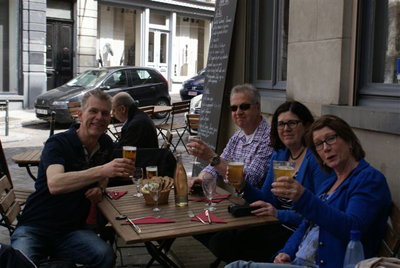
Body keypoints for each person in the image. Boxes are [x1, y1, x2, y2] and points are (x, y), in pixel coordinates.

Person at [226, 115, 392, 268]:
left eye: (331, 139)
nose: (326, 148)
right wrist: (285, 252)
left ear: (350, 141)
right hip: (298, 262)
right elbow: (306, 225)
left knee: (237, 266)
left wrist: (304, 198)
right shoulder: (330, 182)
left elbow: (352, 229)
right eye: (319, 144)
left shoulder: (368, 179)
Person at [11, 89, 135, 267]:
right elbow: (55, 184)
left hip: (70, 232)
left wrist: (100, 187)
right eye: (93, 111)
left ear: (110, 118)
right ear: (80, 115)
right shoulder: (58, 143)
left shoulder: (106, 144)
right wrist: (102, 171)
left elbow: (104, 177)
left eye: (105, 113)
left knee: (105, 256)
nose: (99, 117)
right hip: (35, 227)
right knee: (19, 263)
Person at [206, 101, 332, 264]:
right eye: (281, 124)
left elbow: (318, 212)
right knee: (220, 239)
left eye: (292, 123)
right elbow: (267, 198)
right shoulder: (279, 155)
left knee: (231, 244)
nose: (286, 129)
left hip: (297, 233)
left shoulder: (315, 160)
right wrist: (243, 185)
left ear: (307, 126)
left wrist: (278, 214)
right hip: (275, 224)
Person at [188, 84, 273, 190]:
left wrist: (211, 157)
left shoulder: (269, 137)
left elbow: (249, 180)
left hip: (260, 204)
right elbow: (215, 168)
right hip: (240, 203)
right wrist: (201, 180)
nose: (238, 112)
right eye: (234, 108)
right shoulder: (237, 137)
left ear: (258, 107)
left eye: (244, 107)